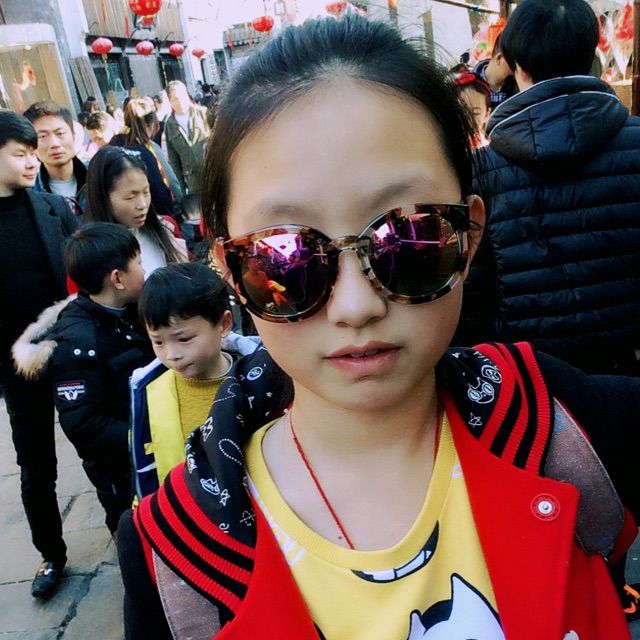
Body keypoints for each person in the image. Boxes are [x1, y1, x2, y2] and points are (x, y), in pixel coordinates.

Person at [117, 16, 639, 640]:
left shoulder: (561, 428)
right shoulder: (178, 552)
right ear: (229, 268)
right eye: (284, 257)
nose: (355, 305)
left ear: (470, 235)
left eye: (410, 237)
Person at [458, 0, 640, 376]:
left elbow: (472, 292)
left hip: (527, 378)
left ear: (517, 65)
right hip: (626, 373)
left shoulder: (482, 170)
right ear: (590, 52)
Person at [13, 223, 153, 534]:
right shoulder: (77, 342)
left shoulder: (133, 310)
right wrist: (146, 436)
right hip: (121, 469)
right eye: (139, 263)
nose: (145, 270)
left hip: (150, 448)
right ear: (117, 279)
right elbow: (84, 424)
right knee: (132, 527)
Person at [0, 111, 77, 599]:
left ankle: (126, 530)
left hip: (70, 352)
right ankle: (51, 554)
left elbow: (81, 274)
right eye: (20, 154)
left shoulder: (52, 208)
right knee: (35, 467)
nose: (33, 162)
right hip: (16, 369)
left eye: (34, 154)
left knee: (99, 447)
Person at [130, 262, 259, 500]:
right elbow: (145, 464)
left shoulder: (259, 380)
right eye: (158, 342)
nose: (172, 354)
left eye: (184, 339)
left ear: (224, 324)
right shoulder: (150, 392)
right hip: (187, 510)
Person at [83, 146, 187, 274]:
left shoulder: (167, 228)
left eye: (146, 192)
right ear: (103, 198)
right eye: (130, 197)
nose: (142, 204)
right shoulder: (87, 256)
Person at [113, 97, 183, 218]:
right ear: (152, 124)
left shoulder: (113, 145)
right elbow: (170, 183)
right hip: (153, 216)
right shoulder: (147, 150)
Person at [23, 100, 88, 216]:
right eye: (42, 136)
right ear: (31, 145)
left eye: (60, 133)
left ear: (73, 136)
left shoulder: (100, 175)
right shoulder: (29, 194)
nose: (54, 144)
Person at [164, 80, 210, 195]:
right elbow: (174, 159)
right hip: (193, 184)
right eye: (175, 98)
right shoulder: (169, 125)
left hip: (211, 174)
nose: (180, 101)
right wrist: (182, 190)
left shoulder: (202, 113)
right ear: (170, 101)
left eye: (182, 96)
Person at [473, 33, 517, 111]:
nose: (518, 70)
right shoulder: (468, 89)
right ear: (499, 58)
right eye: (515, 64)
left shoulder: (518, 86)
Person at [452, 72, 492, 148]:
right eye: (461, 111)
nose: (467, 119)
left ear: (487, 114)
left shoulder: (490, 151)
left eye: (475, 113)